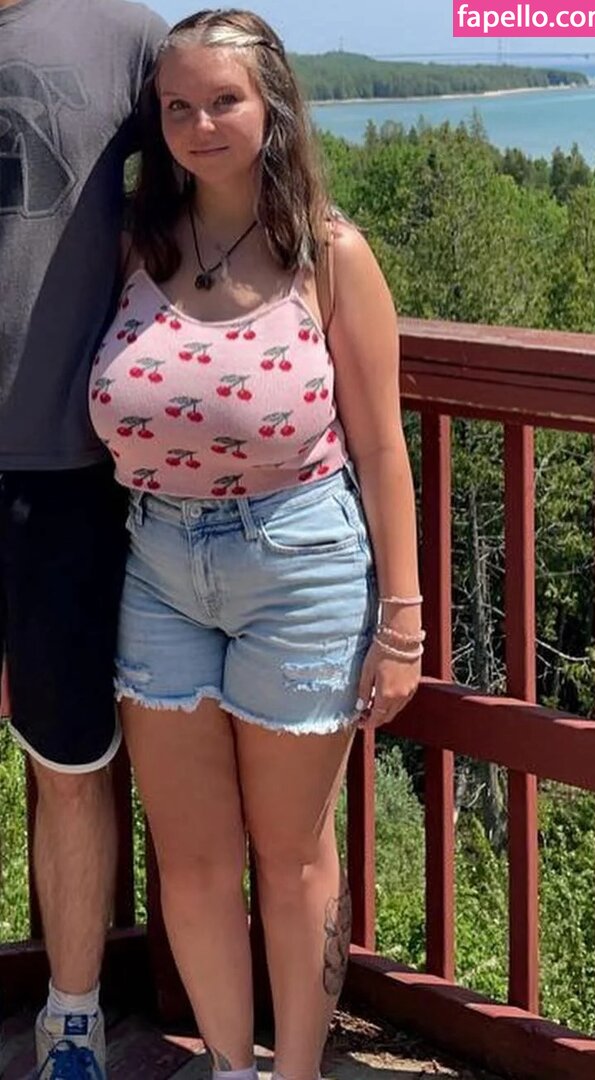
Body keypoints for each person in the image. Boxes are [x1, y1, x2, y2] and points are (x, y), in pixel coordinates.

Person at [89, 9, 422, 1080]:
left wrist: (403, 623)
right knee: (191, 863)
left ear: (273, 105)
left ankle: (298, 1070)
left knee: (291, 859)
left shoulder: (330, 253)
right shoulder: (136, 247)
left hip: (299, 564)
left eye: (223, 100)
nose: (199, 124)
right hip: (157, 568)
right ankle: (232, 1066)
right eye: (177, 106)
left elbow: (381, 446)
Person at [0, 0, 166, 1076]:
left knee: (70, 761)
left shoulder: (121, 34)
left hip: (59, 473)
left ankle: (71, 1021)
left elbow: (221, 179)